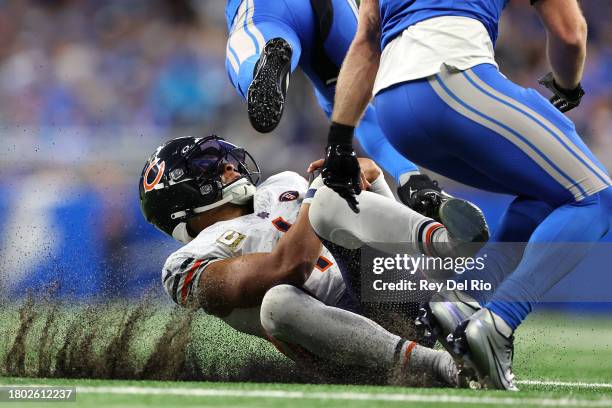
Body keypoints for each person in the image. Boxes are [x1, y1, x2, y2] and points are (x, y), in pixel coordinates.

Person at [319, 0, 612, 390]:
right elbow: (570, 33)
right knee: (597, 197)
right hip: (455, 79)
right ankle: (500, 321)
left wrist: (339, 140)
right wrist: (568, 88)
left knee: (548, 191)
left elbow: (365, 41)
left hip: (393, 108)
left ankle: (467, 296)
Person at [138, 135, 488, 386]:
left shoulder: (282, 184)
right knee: (276, 303)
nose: (227, 164)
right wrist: (321, 191)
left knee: (343, 193)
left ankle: (441, 249)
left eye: (220, 156)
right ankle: (441, 365)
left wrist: (361, 174)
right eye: (206, 162)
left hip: (390, 292)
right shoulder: (186, 264)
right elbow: (288, 267)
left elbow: (344, 207)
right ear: (178, 193)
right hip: (349, 355)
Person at [225, 0, 462, 216]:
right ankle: (412, 179)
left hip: (268, 8)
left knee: (254, 51)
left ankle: (257, 67)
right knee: (354, 109)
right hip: (336, 11)